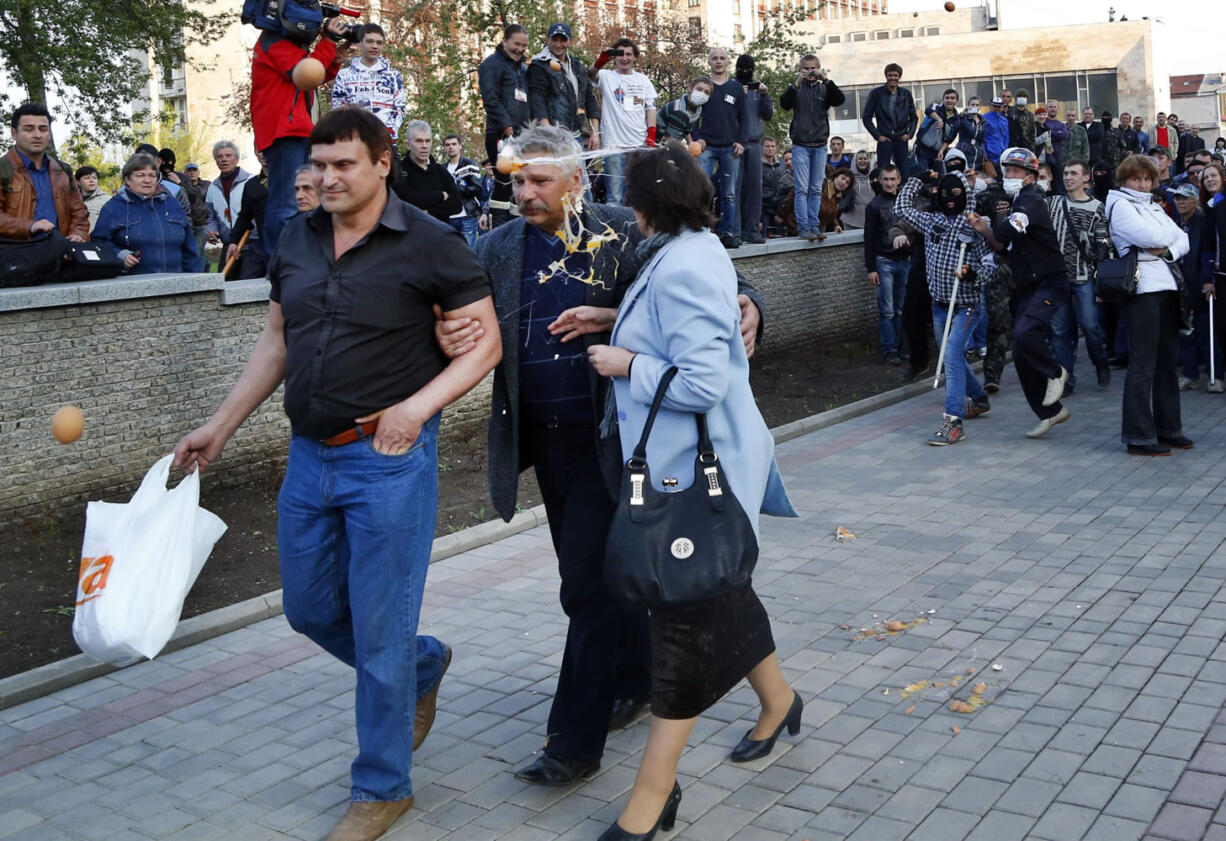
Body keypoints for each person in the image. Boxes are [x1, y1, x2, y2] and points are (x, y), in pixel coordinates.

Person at [174, 106, 501, 841]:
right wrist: (219, 426)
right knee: (311, 609)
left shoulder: (433, 244)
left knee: (379, 628)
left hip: (386, 461)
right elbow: (276, 342)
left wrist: (414, 410)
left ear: (384, 161)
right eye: (318, 164)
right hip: (309, 456)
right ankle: (421, 665)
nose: (325, 177)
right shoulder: (296, 237)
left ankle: (382, 787)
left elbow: (483, 349)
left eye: (343, 164)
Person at [457, 124, 766, 792]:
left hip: (617, 442)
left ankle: (574, 743)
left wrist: (752, 304)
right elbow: (446, 299)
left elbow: (715, 279)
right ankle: (633, 680)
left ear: (576, 179)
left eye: (540, 179)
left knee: (592, 590)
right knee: (592, 580)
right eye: (517, 180)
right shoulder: (497, 248)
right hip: (547, 443)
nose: (525, 192)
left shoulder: (624, 230)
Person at [586, 138, 798, 840]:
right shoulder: (693, 249)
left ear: (644, 211)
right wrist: (614, 322)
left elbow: (701, 380)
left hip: (691, 475)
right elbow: (689, 338)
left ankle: (653, 795)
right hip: (701, 469)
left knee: (681, 628)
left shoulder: (679, 265)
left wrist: (623, 361)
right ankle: (781, 701)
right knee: (720, 593)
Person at [970, 147, 1072, 439]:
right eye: (1007, 171)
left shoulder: (1031, 201)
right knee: (1023, 352)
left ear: (1029, 177)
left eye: (1014, 172)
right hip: (1028, 286)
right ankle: (1050, 412)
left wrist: (995, 227)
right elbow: (1000, 244)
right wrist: (983, 229)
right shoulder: (1017, 201)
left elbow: (1006, 233)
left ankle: (1056, 372)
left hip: (1050, 282)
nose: (1009, 176)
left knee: (1027, 332)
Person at [1101, 154, 1193, 455]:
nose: (1142, 184)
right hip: (1141, 290)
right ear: (1125, 179)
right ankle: (1138, 436)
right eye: (1135, 178)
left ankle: (1168, 428)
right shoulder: (1119, 204)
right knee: (1143, 364)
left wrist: (1164, 250)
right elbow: (1146, 235)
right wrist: (1167, 242)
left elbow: (1183, 239)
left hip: (1166, 286)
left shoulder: (1152, 205)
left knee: (1167, 363)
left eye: (1146, 179)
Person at [898, 169, 994, 444]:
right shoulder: (931, 221)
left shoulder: (975, 225)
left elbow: (990, 265)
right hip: (941, 304)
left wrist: (973, 274)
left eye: (956, 194)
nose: (950, 199)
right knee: (953, 356)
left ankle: (954, 422)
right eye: (945, 193)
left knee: (951, 358)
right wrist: (917, 178)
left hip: (966, 306)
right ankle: (979, 398)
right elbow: (902, 207)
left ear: (965, 195)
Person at [251, 10, 348, 253]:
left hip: (294, 129)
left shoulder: (280, 43)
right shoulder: (274, 42)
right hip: (284, 130)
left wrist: (334, 59)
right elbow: (306, 73)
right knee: (286, 203)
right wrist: (327, 41)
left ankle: (294, 261)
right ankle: (280, 265)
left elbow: (311, 76)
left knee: (298, 201)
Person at [1048, 159, 1112, 393]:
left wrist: (1102, 284)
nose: (1068, 177)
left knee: (1090, 326)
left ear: (1086, 178)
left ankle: (1100, 362)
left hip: (1084, 277)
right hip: (1057, 279)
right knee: (1059, 331)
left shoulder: (1097, 207)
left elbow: (1103, 245)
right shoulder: (1053, 202)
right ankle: (1066, 378)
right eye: (1065, 173)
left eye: (1073, 173)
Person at [92, 152, 201, 274]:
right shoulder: (113, 208)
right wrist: (119, 255)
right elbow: (98, 243)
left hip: (175, 283)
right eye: (140, 175)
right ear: (128, 179)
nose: (147, 180)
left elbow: (190, 250)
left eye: (152, 175)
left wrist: (195, 280)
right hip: (133, 286)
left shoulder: (172, 205)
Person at [1, 102, 89, 242]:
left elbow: (80, 213)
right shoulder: (3, 170)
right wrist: (30, 226)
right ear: (14, 133)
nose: (37, 135)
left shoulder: (63, 171)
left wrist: (78, 234)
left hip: (60, 255)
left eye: (43, 129)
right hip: (15, 256)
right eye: (29, 129)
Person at [780, 53, 844, 242]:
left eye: (813, 68)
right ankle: (803, 227)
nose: (809, 72)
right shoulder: (796, 89)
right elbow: (784, 104)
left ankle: (814, 225)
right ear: (801, 70)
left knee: (816, 188)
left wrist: (826, 79)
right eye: (806, 68)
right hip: (800, 144)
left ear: (818, 68)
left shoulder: (824, 89)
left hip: (819, 144)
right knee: (802, 189)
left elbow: (839, 99)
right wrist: (796, 84)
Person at [589, 37, 657, 205]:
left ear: (635, 57)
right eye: (620, 54)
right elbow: (589, 74)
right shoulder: (606, 76)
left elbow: (651, 108)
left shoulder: (643, 80)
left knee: (636, 195)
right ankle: (616, 232)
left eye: (628, 54)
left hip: (639, 146)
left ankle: (634, 230)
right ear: (614, 57)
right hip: (614, 146)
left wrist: (651, 135)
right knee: (615, 196)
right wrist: (600, 62)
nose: (624, 58)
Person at [692, 47, 746, 249]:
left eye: (722, 58)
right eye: (714, 58)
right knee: (702, 192)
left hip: (730, 148)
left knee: (729, 194)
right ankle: (701, 232)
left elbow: (744, 118)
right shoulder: (703, 87)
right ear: (709, 62)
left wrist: (741, 141)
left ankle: (727, 232)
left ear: (727, 62)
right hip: (706, 148)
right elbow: (691, 115)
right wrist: (696, 138)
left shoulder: (735, 88)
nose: (718, 61)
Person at [479, 24, 531, 228]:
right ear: (505, 41)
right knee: (503, 181)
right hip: (500, 133)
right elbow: (490, 98)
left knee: (521, 180)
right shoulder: (492, 65)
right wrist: (506, 124)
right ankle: (498, 229)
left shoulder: (523, 68)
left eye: (524, 45)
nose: (520, 49)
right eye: (516, 44)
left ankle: (519, 227)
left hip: (522, 132)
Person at [1171, 183, 1221, 392]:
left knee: (1206, 333)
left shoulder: (1203, 221)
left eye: (1185, 198)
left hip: (1200, 284)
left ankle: (1216, 376)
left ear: (1195, 200)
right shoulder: (1175, 223)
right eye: (1178, 198)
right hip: (1180, 285)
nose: (1181, 201)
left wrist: (1207, 281)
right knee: (1185, 333)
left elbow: (1207, 252)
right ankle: (1190, 375)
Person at [864, 163, 911, 365]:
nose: (890, 183)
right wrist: (871, 268)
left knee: (901, 308)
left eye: (893, 179)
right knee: (887, 310)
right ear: (880, 180)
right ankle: (890, 349)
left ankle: (900, 345)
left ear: (899, 180)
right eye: (886, 179)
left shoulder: (907, 203)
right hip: (884, 261)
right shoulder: (874, 206)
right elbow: (869, 238)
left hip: (906, 260)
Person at [330, 23, 409, 141]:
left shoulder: (393, 75)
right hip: (354, 142)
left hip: (384, 141)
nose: (374, 46)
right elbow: (339, 109)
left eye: (379, 43)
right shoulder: (344, 75)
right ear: (360, 43)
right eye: (370, 41)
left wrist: (389, 132)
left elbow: (400, 108)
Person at [527, 22, 600, 146]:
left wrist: (595, 132)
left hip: (576, 137)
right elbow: (537, 100)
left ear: (570, 41)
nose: (558, 45)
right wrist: (548, 131)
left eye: (563, 40)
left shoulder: (578, 66)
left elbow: (589, 100)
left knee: (579, 166)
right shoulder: (539, 66)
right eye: (554, 40)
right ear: (548, 40)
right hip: (551, 139)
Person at [205, 140, 268, 280]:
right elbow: (211, 216)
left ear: (237, 158)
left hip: (253, 242)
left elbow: (248, 216)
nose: (224, 159)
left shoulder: (251, 181)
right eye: (220, 156)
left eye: (228, 155)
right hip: (229, 244)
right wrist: (213, 229)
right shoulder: (213, 187)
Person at [393, 120, 461, 222]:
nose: (424, 146)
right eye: (419, 141)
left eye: (427, 141)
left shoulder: (440, 171)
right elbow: (402, 201)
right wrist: (439, 195)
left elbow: (457, 204)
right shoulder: (399, 171)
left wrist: (429, 212)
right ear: (408, 144)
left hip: (439, 233)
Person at [736, 54, 773, 245]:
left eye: (748, 69)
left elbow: (768, 115)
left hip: (755, 142)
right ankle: (736, 230)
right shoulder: (732, 87)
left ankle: (752, 230)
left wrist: (765, 95)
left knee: (755, 190)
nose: (745, 72)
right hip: (736, 144)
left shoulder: (758, 89)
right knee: (736, 188)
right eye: (742, 68)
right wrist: (738, 95)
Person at [862, 63, 915, 171]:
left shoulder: (906, 94)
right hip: (884, 139)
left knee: (904, 172)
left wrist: (909, 134)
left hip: (901, 138)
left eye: (895, 75)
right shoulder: (876, 93)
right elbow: (866, 117)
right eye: (890, 75)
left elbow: (914, 117)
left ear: (899, 77)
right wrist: (877, 136)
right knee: (884, 172)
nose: (893, 78)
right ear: (886, 76)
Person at [442, 134, 483, 246]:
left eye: (454, 144)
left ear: (460, 146)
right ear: (444, 148)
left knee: (468, 252)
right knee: (450, 254)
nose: (451, 147)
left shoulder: (470, 165)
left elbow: (477, 188)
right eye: (447, 145)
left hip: (467, 216)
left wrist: (454, 190)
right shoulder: (441, 169)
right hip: (448, 218)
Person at [915, 89, 961, 175]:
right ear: (943, 99)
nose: (949, 100)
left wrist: (942, 150)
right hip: (922, 149)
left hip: (937, 153)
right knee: (922, 175)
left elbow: (949, 139)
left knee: (940, 178)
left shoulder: (957, 120)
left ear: (956, 101)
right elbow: (928, 110)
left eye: (952, 98)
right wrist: (939, 119)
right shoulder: (936, 107)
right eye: (947, 98)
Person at [656, 77, 712, 143]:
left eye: (706, 92)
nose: (702, 94)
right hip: (657, 141)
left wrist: (691, 142)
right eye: (699, 89)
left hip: (671, 141)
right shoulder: (678, 109)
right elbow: (670, 139)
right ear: (691, 88)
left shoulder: (697, 111)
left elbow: (686, 130)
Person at [181, 162, 212, 268]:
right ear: (185, 173)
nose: (192, 173)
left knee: (198, 251)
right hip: (189, 225)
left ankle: (199, 276)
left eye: (194, 170)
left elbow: (212, 202)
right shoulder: (182, 187)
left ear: (198, 172)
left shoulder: (207, 185)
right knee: (196, 252)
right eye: (189, 171)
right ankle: (206, 270)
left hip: (203, 223)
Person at [840, 150, 874, 231]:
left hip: (870, 220)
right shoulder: (848, 176)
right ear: (855, 161)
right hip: (850, 221)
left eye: (865, 159)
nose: (863, 161)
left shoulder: (874, 176)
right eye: (860, 159)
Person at [818, 167, 854, 233]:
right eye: (843, 178)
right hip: (802, 229)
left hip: (819, 230)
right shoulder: (821, 186)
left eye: (847, 182)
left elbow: (829, 212)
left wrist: (836, 225)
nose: (843, 182)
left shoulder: (838, 195)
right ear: (836, 176)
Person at [75, 165, 110, 233]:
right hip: (74, 239)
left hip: (97, 240)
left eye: (94, 178)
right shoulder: (72, 200)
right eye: (87, 178)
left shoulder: (107, 200)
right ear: (78, 182)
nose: (91, 181)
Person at [957, 96, 987, 173]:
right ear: (968, 105)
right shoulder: (963, 118)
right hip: (964, 149)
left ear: (980, 106)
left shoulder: (983, 121)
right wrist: (962, 114)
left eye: (977, 105)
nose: (974, 107)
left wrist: (983, 153)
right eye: (972, 105)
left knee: (976, 173)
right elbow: (955, 124)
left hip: (977, 152)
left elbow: (983, 140)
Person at [983, 97, 1009, 180]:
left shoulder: (1004, 120)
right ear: (991, 106)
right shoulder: (984, 118)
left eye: (999, 106)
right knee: (992, 180)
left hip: (1002, 155)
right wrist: (985, 153)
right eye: (995, 106)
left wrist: (1005, 150)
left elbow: (1006, 137)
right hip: (990, 155)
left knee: (1003, 179)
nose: (997, 108)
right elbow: (982, 137)